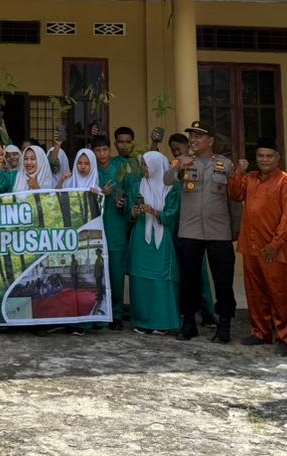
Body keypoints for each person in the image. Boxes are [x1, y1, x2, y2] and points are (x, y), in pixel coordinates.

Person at [164, 121, 236, 343]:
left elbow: (235, 200)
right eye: (192, 137)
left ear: (210, 141)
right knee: (189, 279)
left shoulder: (225, 164)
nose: (193, 140)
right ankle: (188, 322)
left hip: (219, 231)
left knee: (223, 279)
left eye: (198, 137)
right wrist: (179, 168)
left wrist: (236, 230)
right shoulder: (183, 161)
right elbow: (166, 179)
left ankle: (224, 322)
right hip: (190, 229)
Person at [228, 137, 287, 355]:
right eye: (261, 156)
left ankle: (285, 338)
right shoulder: (249, 179)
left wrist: (275, 243)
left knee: (279, 293)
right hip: (250, 245)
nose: (265, 159)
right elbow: (234, 193)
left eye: (269, 156)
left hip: (272, 249)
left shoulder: (286, 182)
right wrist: (238, 172)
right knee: (255, 292)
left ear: (277, 158)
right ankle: (261, 332)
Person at [127, 149, 181, 334]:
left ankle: (162, 322)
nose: (144, 169)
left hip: (162, 239)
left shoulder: (171, 189)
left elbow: (173, 214)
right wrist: (133, 212)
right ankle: (142, 321)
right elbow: (128, 210)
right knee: (140, 279)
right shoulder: (138, 185)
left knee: (161, 281)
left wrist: (154, 212)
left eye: (147, 166)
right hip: (141, 237)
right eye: (143, 165)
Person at [94, 134, 132, 329]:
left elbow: (129, 192)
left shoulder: (120, 168)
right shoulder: (90, 169)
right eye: (98, 150)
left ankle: (116, 314)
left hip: (116, 225)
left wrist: (123, 203)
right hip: (96, 227)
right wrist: (101, 193)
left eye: (105, 150)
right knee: (97, 273)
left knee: (116, 273)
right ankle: (100, 313)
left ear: (110, 150)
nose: (102, 154)